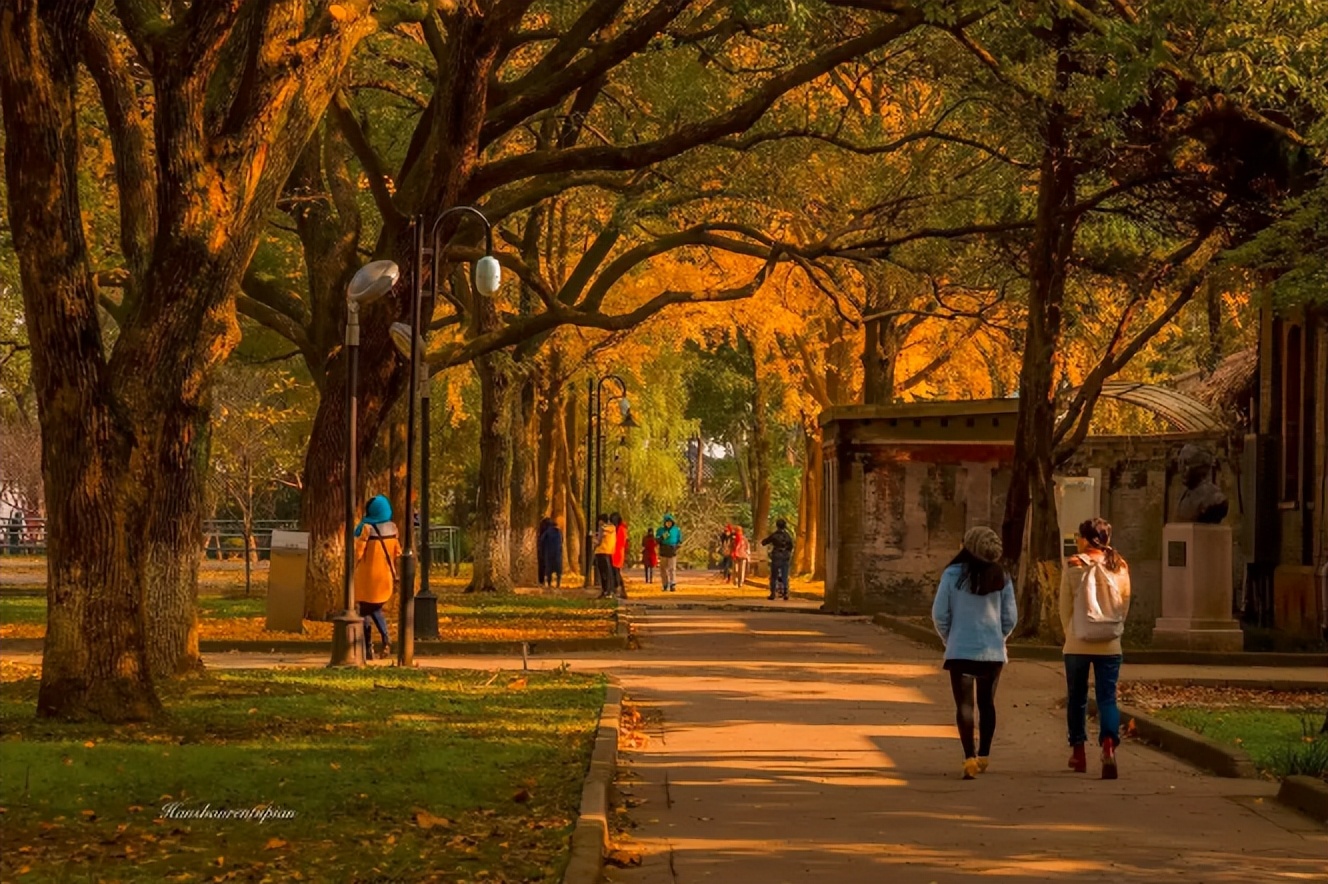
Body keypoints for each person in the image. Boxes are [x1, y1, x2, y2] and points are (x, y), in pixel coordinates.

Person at [930, 526, 1016, 780]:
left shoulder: (952, 575)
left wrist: (951, 638)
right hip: (992, 652)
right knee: (987, 703)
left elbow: (939, 614)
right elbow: (1010, 618)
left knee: (964, 705)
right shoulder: (1002, 577)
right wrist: (999, 637)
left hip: (960, 650)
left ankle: (968, 758)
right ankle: (984, 755)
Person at [1062, 517, 1132, 779]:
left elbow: (1064, 607)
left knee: (1077, 699)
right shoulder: (1120, 566)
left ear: (1085, 539)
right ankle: (1109, 747)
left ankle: (1078, 754)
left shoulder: (1073, 565)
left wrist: (1071, 633)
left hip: (1077, 642)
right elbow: (1124, 605)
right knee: (1107, 698)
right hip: (1110, 644)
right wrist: (1112, 630)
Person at [354, 494, 400, 660]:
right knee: (374, 608)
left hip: (366, 577)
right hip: (385, 576)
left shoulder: (366, 528)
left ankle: (369, 648)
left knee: (366, 609)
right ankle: (384, 640)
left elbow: (358, 552)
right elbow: (398, 551)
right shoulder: (393, 528)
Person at [761, 519, 794, 600]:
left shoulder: (774, 535)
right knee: (784, 575)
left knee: (774, 575)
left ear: (777, 525)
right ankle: (785, 592)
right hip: (785, 556)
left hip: (776, 556)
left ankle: (772, 593)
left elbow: (764, 542)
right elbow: (791, 546)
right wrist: (787, 552)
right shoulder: (787, 535)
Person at [655, 514, 682, 592]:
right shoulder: (660, 530)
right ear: (664, 523)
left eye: (670, 522)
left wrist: (676, 546)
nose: (668, 524)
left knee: (672, 569)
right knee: (663, 569)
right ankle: (665, 584)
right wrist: (662, 537)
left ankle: (672, 584)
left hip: (672, 551)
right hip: (663, 551)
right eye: (667, 522)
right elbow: (656, 540)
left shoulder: (676, 530)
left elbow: (680, 540)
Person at [593, 514, 617, 598]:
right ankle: (609, 591)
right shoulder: (613, 529)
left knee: (603, 573)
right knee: (609, 573)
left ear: (601, 520)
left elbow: (598, 541)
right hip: (609, 552)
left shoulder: (602, 528)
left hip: (601, 552)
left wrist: (593, 540)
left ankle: (604, 590)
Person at [538, 518, 563, 589]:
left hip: (548, 553)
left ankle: (549, 583)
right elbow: (562, 541)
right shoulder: (558, 532)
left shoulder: (546, 533)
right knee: (558, 569)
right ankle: (558, 583)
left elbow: (541, 541)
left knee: (549, 569)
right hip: (557, 553)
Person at [610, 512, 629, 599]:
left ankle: (619, 589)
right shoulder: (619, 528)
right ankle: (619, 589)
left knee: (616, 572)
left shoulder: (621, 529)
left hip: (617, 552)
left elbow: (621, 542)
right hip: (615, 552)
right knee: (615, 572)